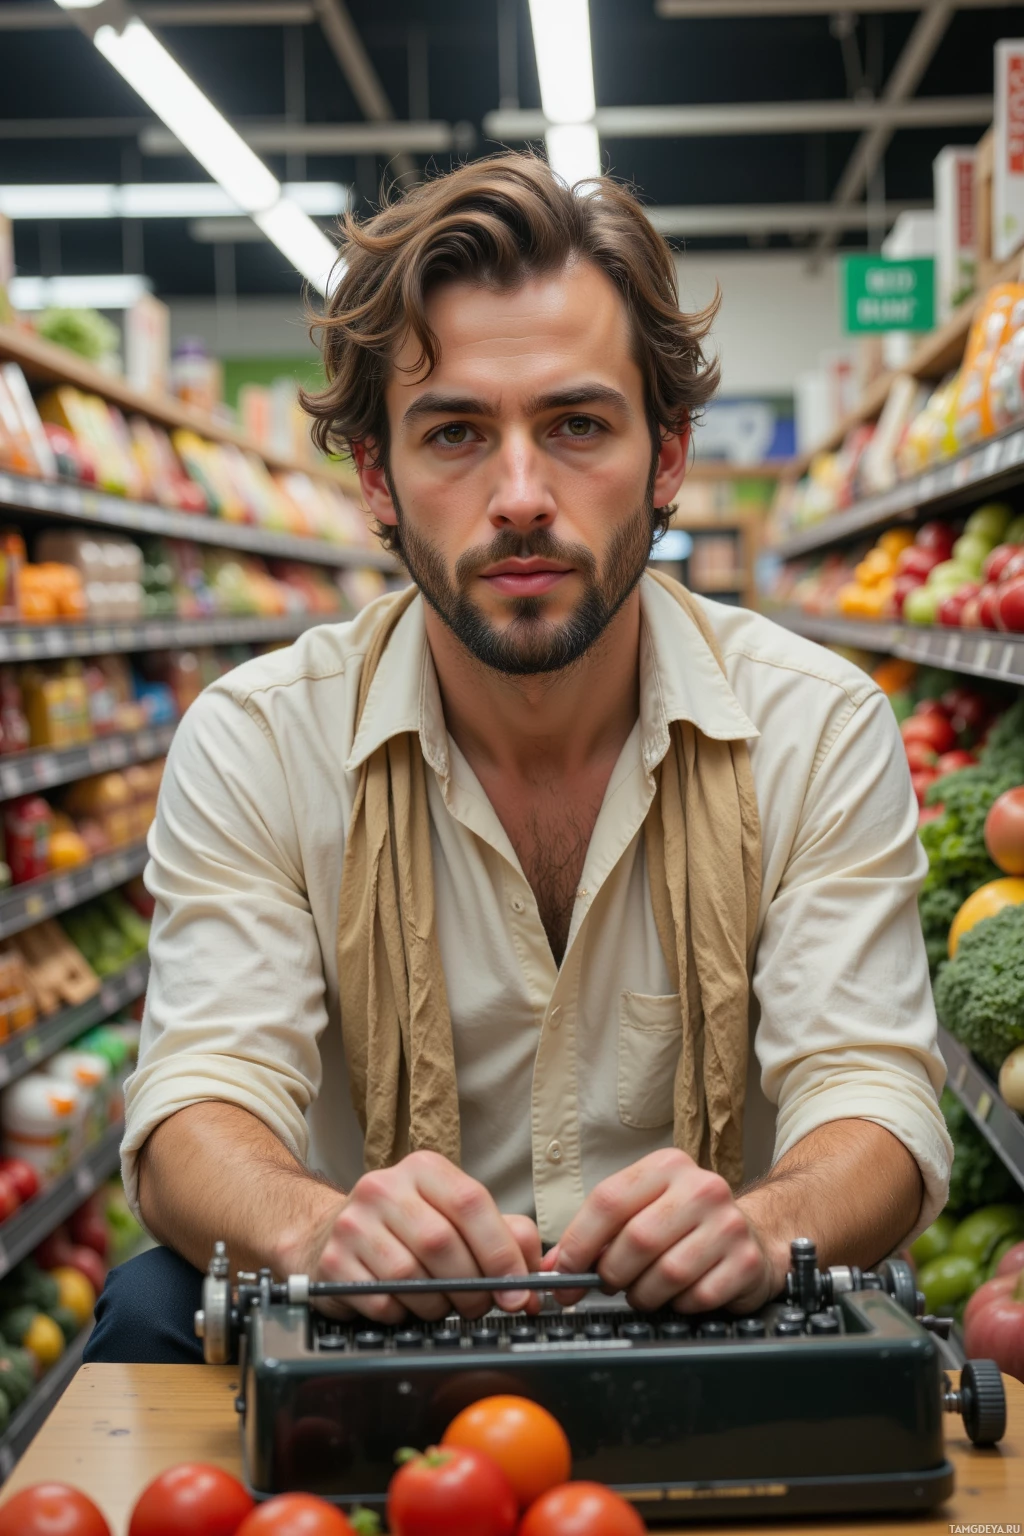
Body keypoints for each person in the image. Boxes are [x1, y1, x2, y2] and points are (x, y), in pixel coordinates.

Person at [87, 154, 950, 1364]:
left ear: (667, 458)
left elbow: (874, 1096)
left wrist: (765, 1230)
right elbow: (195, 1101)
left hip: (712, 1346)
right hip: (372, 1348)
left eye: (577, 424)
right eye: (454, 434)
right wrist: (323, 1228)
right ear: (378, 478)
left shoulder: (815, 726)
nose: (521, 495)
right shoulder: (258, 739)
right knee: (145, 1304)